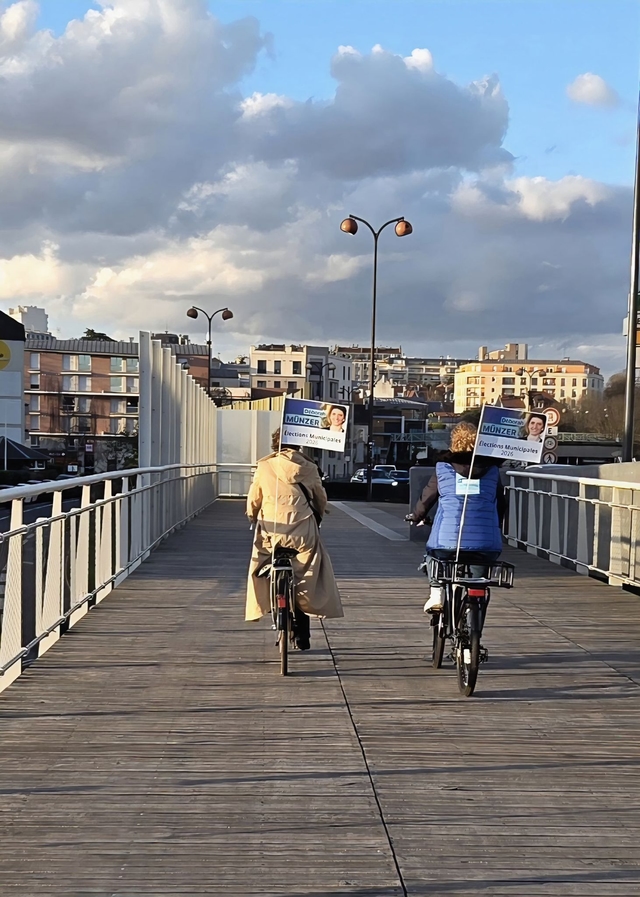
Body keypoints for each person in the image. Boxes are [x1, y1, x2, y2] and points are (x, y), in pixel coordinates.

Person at [245, 428, 343, 649]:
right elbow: (320, 498)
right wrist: (319, 515)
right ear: (300, 444)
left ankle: (268, 605)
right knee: (308, 572)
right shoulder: (309, 468)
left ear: (275, 444)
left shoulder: (264, 466)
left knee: (260, 564)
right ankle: (303, 634)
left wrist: (252, 516)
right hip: (302, 532)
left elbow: (254, 499)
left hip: (272, 532)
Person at [409, 422, 506, 612]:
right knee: (479, 574)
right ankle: (473, 615)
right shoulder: (492, 470)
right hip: (485, 540)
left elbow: (427, 498)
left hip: (448, 539)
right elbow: (501, 503)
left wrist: (416, 515)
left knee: (433, 553)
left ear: (453, 442)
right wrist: (497, 525)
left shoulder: (443, 468)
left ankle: (436, 594)